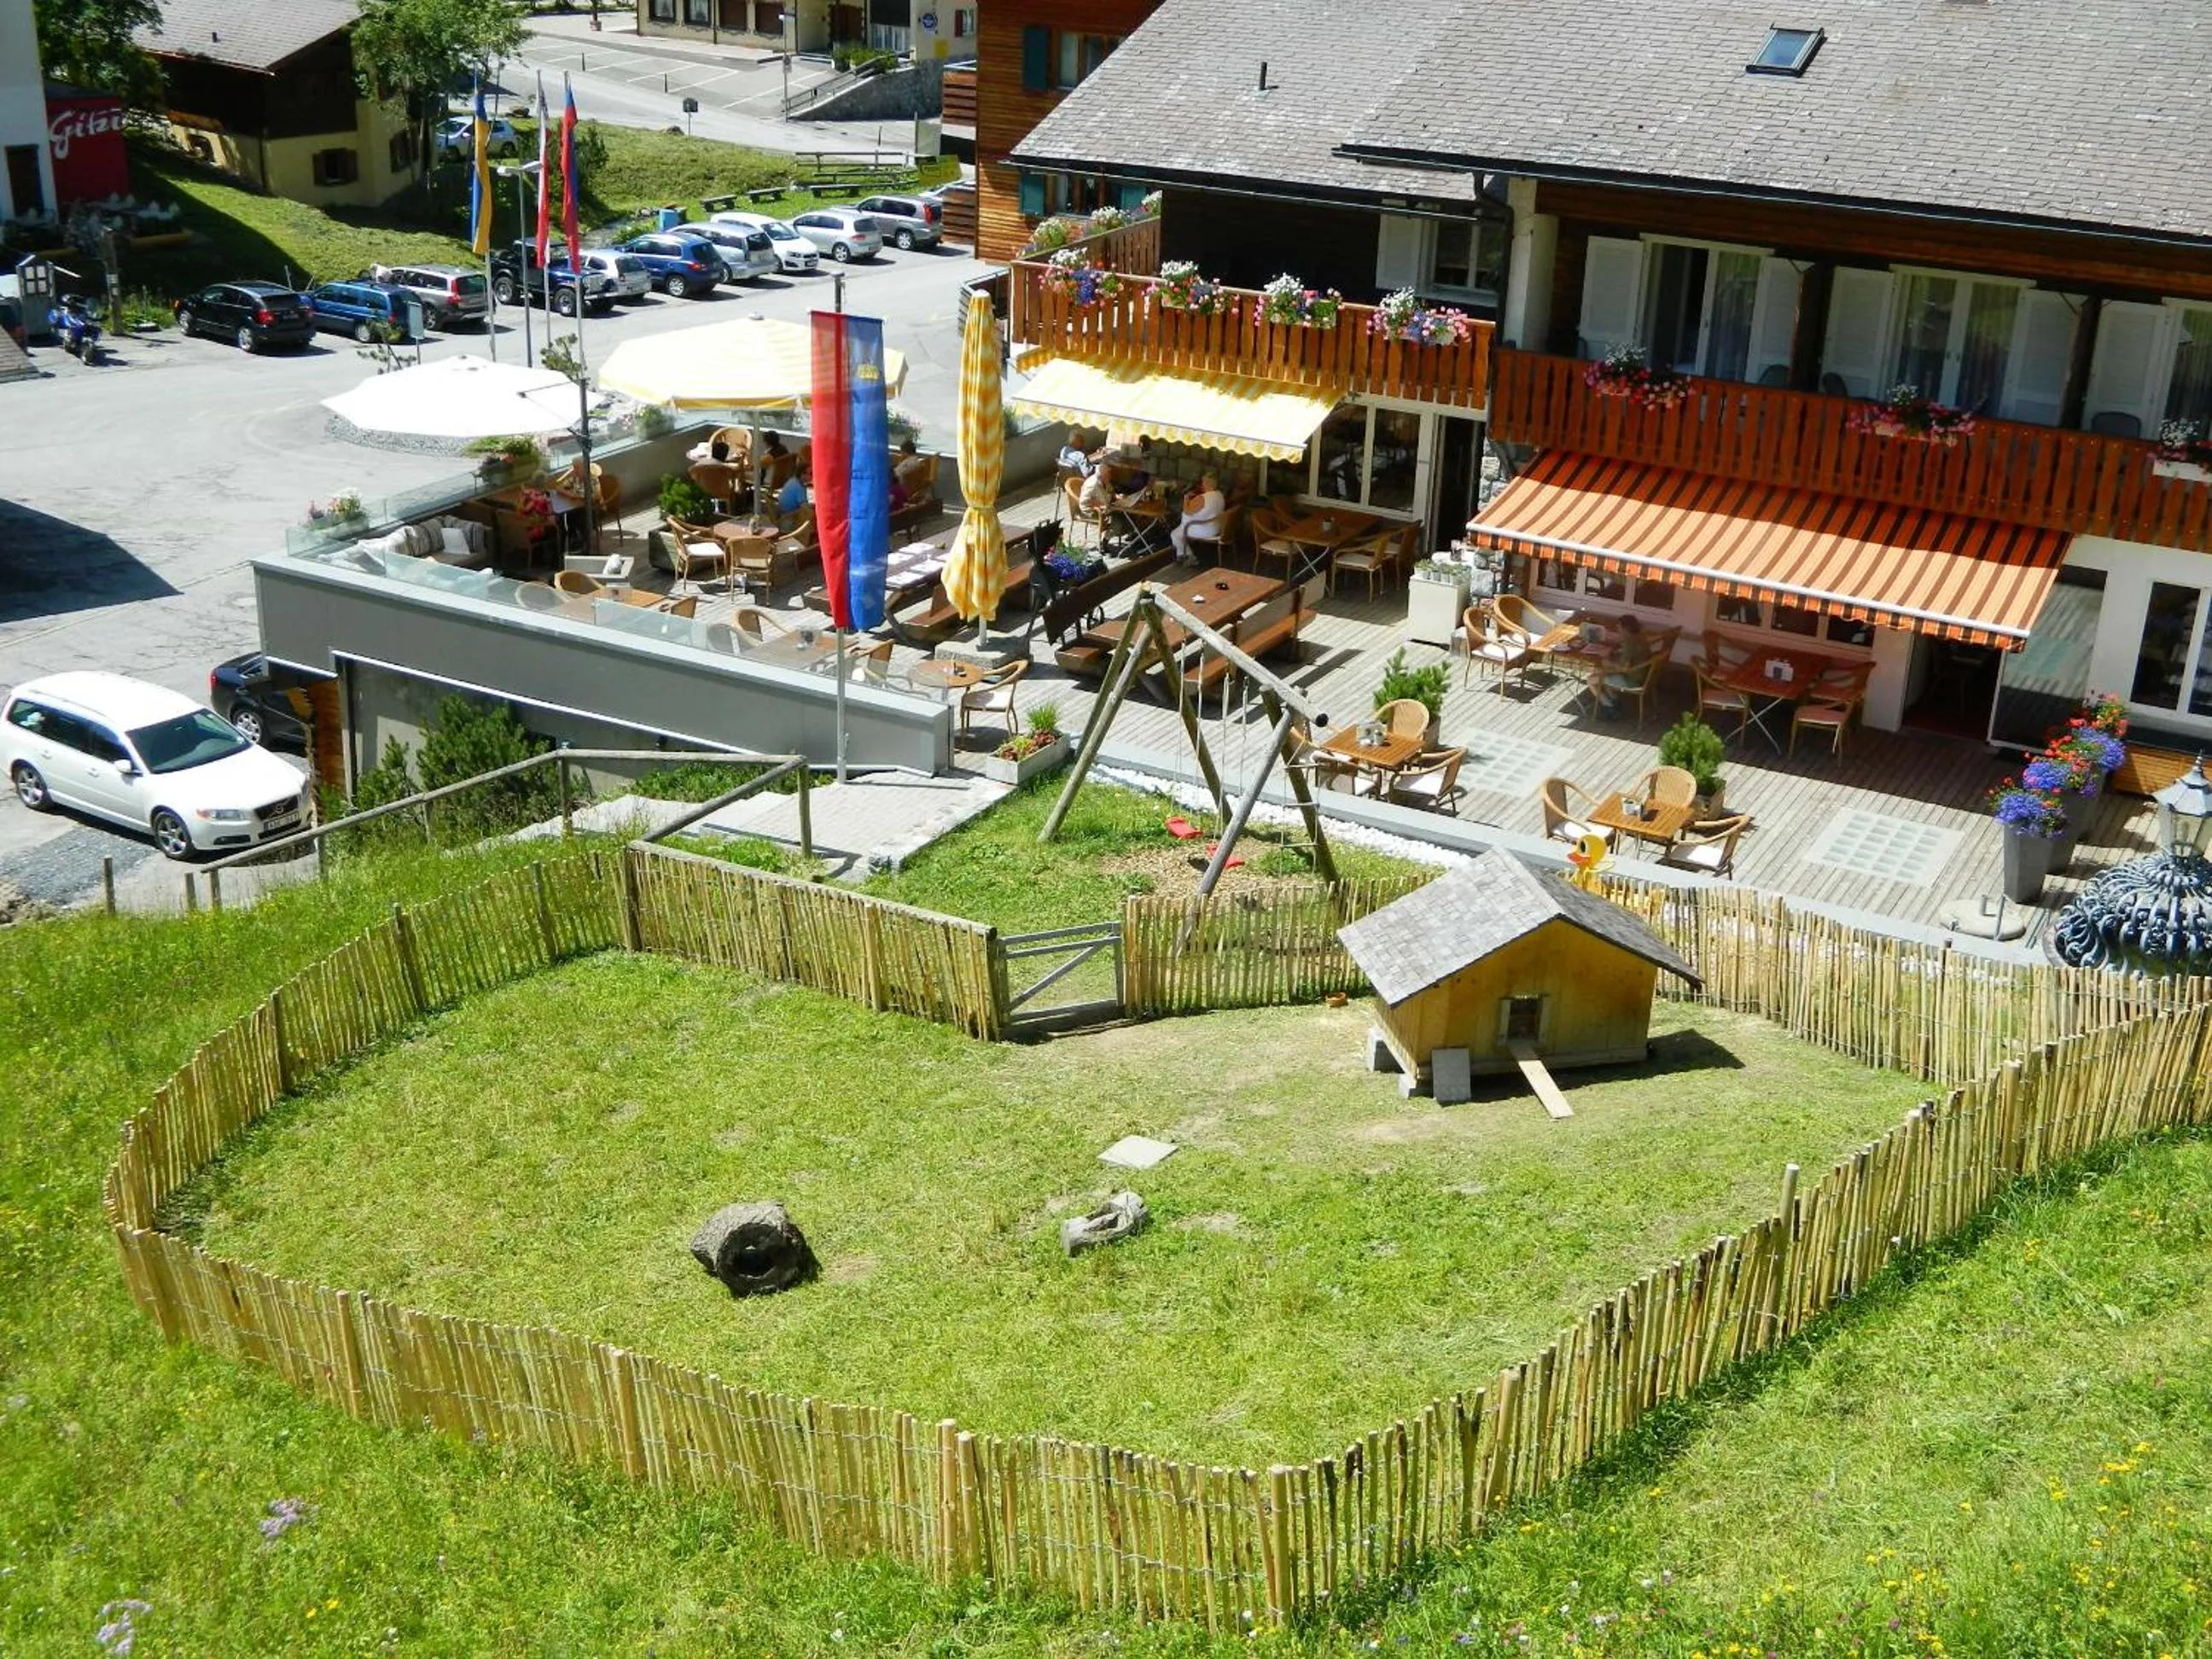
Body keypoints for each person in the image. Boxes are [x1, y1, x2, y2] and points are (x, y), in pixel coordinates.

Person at [1585, 614, 1656, 719]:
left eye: (1619, 627)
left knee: (1591, 680)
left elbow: (1623, 668)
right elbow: (1632, 655)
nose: (1617, 629)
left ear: (1626, 628)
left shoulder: (1629, 643)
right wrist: (1614, 655)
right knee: (1598, 670)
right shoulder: (1640, 637)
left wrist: (1608, 661)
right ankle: (1615, 701)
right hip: (1641, 675)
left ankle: (1610, 707)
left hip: (1632, 680)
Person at [1169, 472, 1225, 564]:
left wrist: (1186, 498)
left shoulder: (1202, 498)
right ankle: (1181, 556)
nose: (1202, 484)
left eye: (1203, 482)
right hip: (1215, 527)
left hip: (1202, 530)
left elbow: (1187, 511)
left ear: (1206, 484)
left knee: (1175, 535)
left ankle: (1190, 558)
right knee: (1178, 534)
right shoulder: (1219, 495)